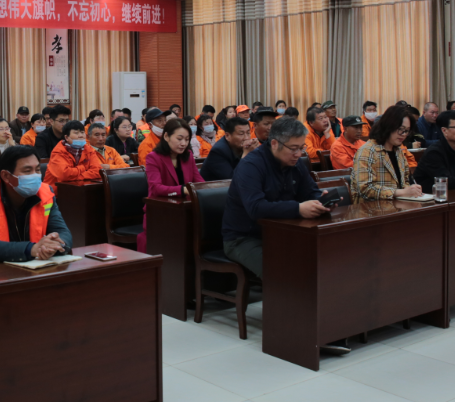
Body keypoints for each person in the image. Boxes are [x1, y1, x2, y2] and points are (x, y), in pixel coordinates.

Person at [222, 117, 329, 278]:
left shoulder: (296, 162)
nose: (298, 154)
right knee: (282, 273)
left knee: (324, 260)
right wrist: (298, 209)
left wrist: (321, 200)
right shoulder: (251, 166)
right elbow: (256, 208)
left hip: (282, 231)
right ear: (274, 143)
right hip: (245, 238)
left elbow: (310, 191)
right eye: (293, 148)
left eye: (302, 148)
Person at [0, 145, 72, 263]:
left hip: (34, 266)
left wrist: (55, 246)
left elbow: (63, 232)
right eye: (27, 171)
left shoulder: (46, 193)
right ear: (6, 176)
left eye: (37, 170)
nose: (35, 175)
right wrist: (31, 249)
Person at [138, 118, 204, 252]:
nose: (183, 143)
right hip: (160, 212)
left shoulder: (188, 155)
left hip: (186, 209)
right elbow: (156, 188)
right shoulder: (153, 157)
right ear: (166, 136)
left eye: (187, 139)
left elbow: (199, 182)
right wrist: (183, 190)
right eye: (179, 139)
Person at [351, 105, 424, 202]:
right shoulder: (368, 151)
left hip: (397, 204)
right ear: (388, 126)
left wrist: (412, 190)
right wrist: (400, 192)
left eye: (406, 131)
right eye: (401, 129)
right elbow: (365, 189)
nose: (403, 134)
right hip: (370, 207)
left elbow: (405, 181)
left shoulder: (398, 151)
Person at [44, 121, 102, 187]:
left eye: (82, 132)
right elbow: (64, 175)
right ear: (66, 137)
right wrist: (83, 168)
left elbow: (98, 171)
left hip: (81, 187)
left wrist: (78, 176)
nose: (80, 136)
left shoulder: (89, 149)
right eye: (76, 133)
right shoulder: (58, 151)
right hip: (56, 190)